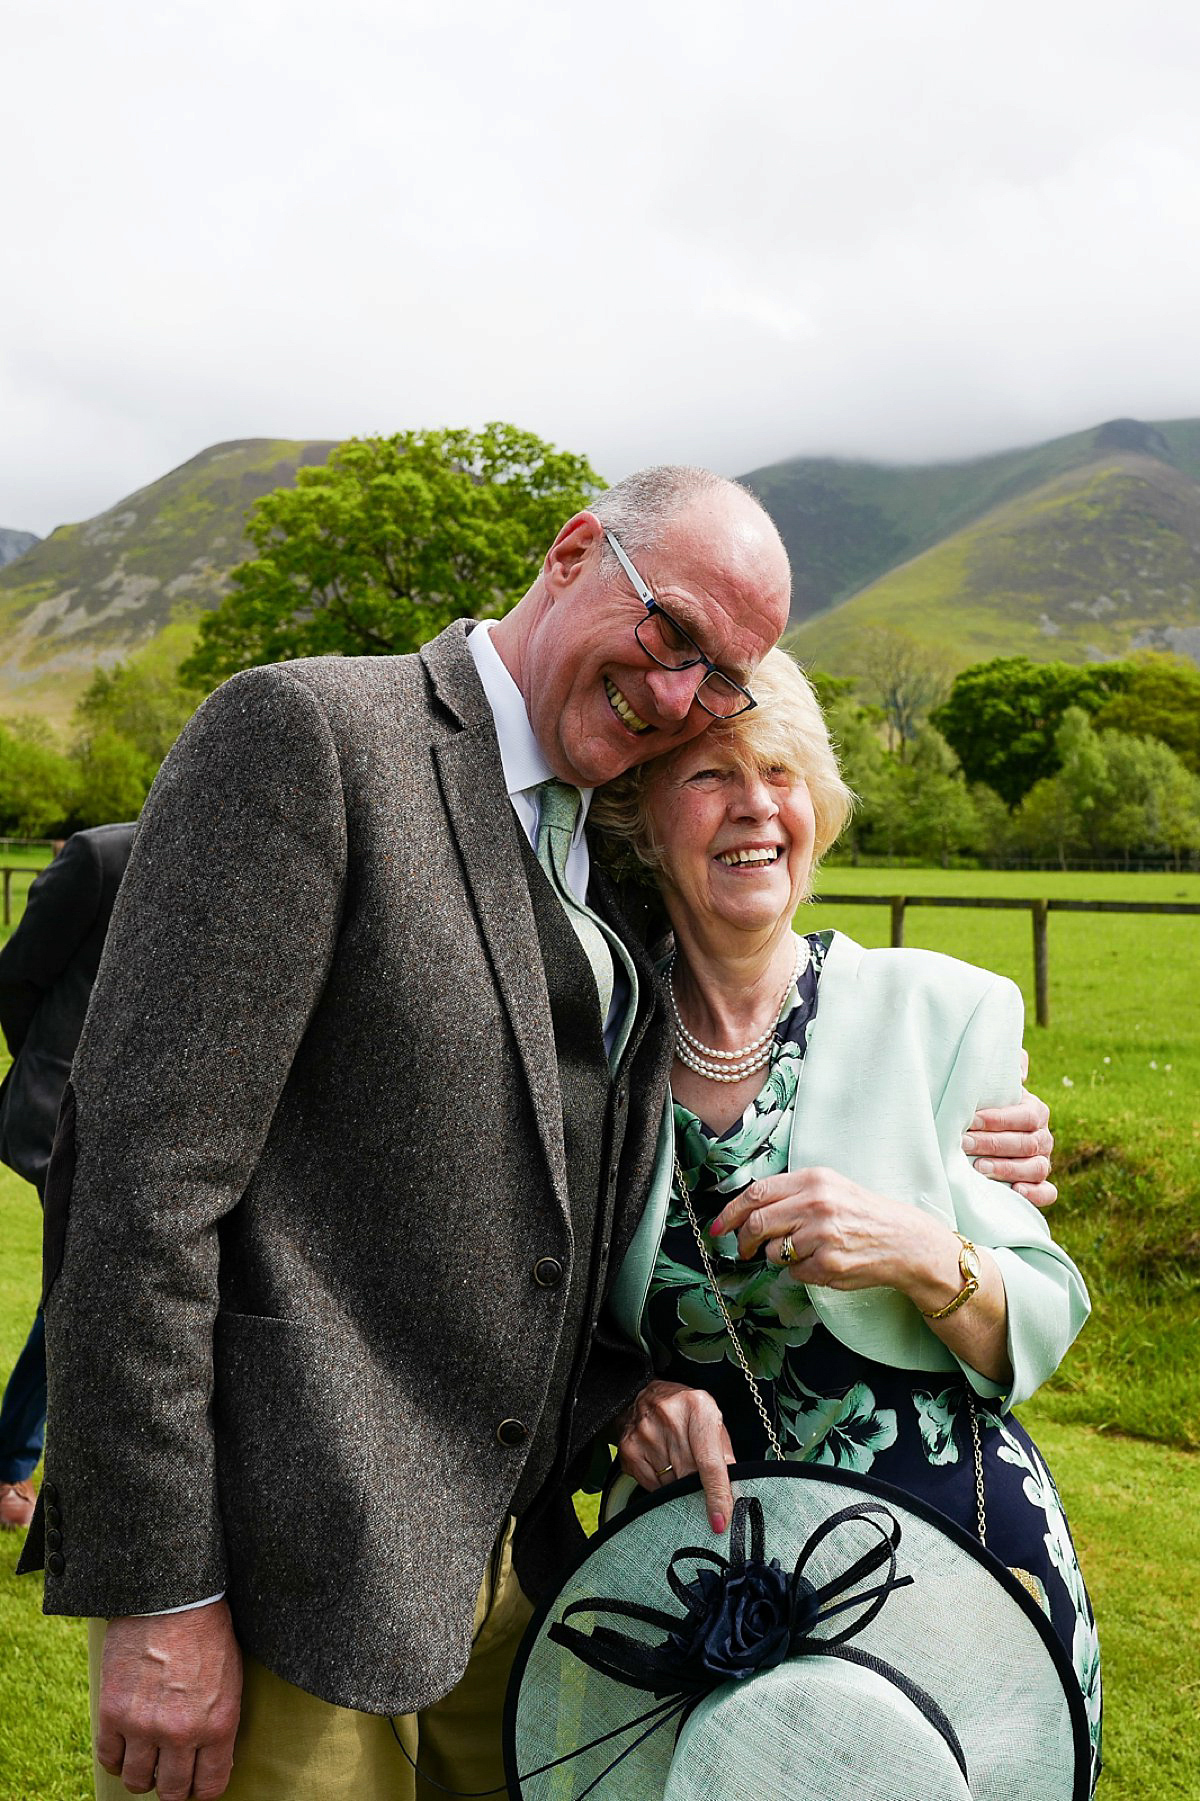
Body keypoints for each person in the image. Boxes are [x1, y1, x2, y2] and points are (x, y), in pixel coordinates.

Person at [22, 471, 1056, 1801]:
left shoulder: (605, 855)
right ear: (574, 553)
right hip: (290, 1578)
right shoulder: (315, 737)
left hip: (519, 1581)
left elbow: (547, 1217)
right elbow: (137, 1189)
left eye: (724, 678)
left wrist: (623, 1396)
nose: (682, 694)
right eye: (674, 631)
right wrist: (162, 1594)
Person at [591, 646, 1101, 1792]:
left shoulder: (946, 1011)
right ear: (638, 813)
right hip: (689, 1582)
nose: (759, 805)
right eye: (711, 774)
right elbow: (540, 1307)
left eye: (783, 770)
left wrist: (922, 1250)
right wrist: (618, 1403)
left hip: (951, 1570)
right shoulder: (592, 1046)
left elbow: (1043, 1318)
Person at [0, 823, 136, 1535]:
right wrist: (51, 1078)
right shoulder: (101, 855)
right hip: (62, 1118)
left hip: (164, 1127)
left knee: (82, 1292)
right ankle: (28, 1471)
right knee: (91, 1289)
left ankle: (16, 1463)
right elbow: (18, 976)